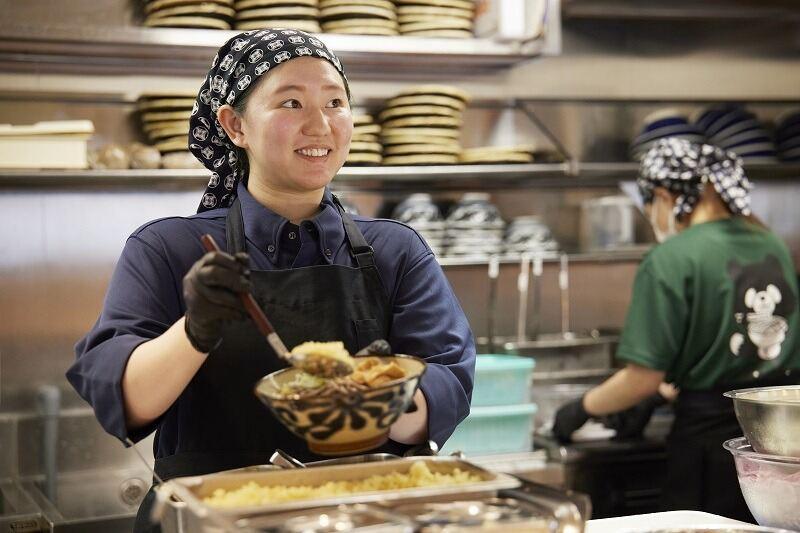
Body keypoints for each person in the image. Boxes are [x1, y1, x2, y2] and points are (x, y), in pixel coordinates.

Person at [66, 29, 475, 532]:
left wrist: (373, 394)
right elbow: (123, 400)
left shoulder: (396, 251)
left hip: (360, 518)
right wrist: (194, 329)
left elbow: (449, 384)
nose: (320, 124)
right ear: (235, 125)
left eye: (335, 102)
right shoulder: (166, 249)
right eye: (291, 103)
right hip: (208, 521)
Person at [553, 137, 799, 521]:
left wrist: (580, 408)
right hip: (778, 445)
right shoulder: (772, 244)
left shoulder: (670, 258)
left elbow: (642, 378)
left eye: (648, 202)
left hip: (708, 448)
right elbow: (737, 358)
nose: (650, 213)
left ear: (666, 196)